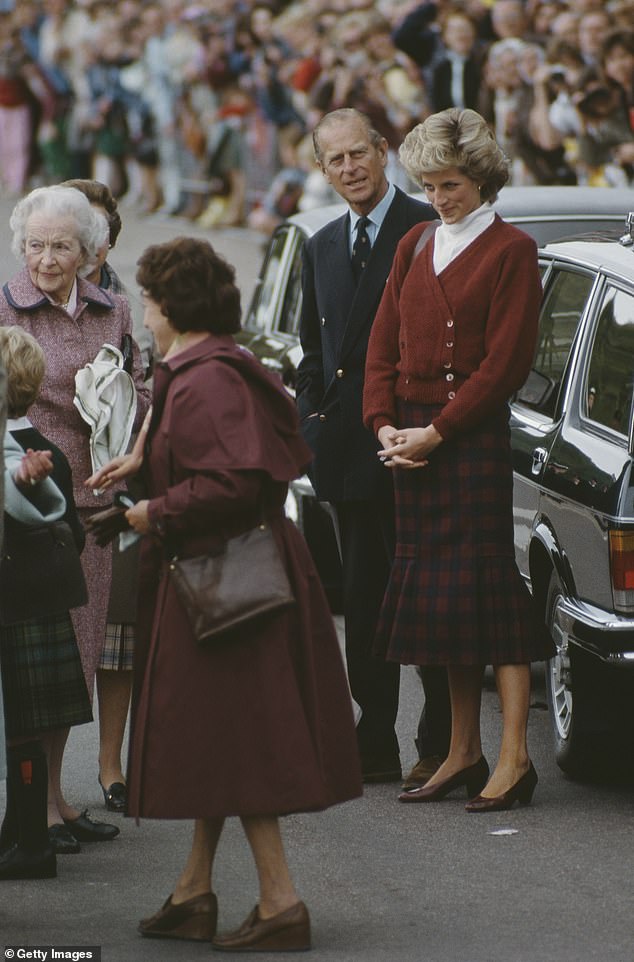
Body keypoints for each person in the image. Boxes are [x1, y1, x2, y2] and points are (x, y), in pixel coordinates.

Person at [87, 236, 362, 952]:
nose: (143, 316)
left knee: (237, 743)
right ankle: (193, 892)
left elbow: (234, 482)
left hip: (228, 583)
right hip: (226, 580)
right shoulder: (211, 367)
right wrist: (146, 458)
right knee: (225, 737)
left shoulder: (210, 378)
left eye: (148, 303)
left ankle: (280, 902)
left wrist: (153, 512)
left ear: (175, 307)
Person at [363, 107, 554, 812]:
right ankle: (462, 750)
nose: (441, 198)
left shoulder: (512, 250)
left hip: (466, 438)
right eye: (431, 184)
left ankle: (514, 757)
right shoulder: (414, 241)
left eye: (452, 184)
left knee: (488, 596)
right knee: (440, 605)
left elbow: (505, 364)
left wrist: (436, 432)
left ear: (481, 178)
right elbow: (382, 346)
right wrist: (383, 424)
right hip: (410, 437)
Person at [297, 106, 451, 788]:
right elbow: (313, 352)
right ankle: (374, 739)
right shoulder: (322, 243)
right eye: (336, 160)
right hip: (352, 452)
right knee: (363, 604)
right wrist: (312, 422)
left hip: (419, 444)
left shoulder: (428, 224)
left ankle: (443, 738)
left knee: (427, 599)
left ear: (383, 151)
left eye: (359, 153)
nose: (350, 168)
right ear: (323, 170)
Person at [0, 185, 151, 847]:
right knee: (36, 663)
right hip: (25, 505)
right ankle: (32, 810)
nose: (46, 258)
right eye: (35, 244)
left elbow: (140, 383)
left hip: (95, 503)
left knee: (76, 663)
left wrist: (132, 433)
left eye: (62, 245)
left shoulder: (111, 308)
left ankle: (56, 798)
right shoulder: (5, 307)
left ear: (89, 250)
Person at [61, 178, 144, 814]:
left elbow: (146, 382)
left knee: (118, 639)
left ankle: (112, 767)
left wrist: (127, 406)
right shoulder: (29, 294)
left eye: (93, 230)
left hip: (118, 485)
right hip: (54, 491)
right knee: (58, 642)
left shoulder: (118, 305)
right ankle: (51, 787)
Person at [0, 327, 95, 878]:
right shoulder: (48, 448)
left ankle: (31, 842)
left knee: (20, 727)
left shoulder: (25, 453)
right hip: (37, 603)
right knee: (24, 727)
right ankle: (21, 832)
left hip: (18, 605)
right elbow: (73, 535)